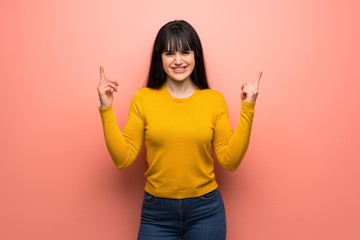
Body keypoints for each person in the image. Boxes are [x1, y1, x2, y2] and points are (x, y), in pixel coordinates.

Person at [97, 20, 261, 240]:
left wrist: (248, 108)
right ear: (160, 58)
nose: (178, 61)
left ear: (196, 56)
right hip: (156, 213)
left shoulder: (213, 100)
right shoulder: (143, 99)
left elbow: (230, 161)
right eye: (169, 53)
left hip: (206, 211)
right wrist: (106, 108)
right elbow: (123, 159)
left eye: (185, 52)